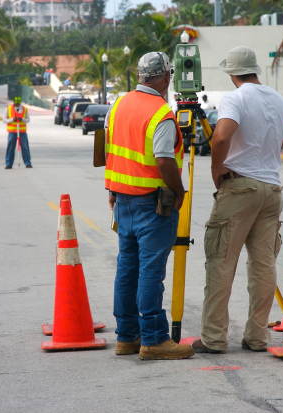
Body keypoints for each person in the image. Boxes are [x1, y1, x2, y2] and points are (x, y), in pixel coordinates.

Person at [192, 46, 283, 354]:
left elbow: (221, 137)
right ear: (255, 70)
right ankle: (258, 336)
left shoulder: (236, 97)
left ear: (232, 74)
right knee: (264, 266)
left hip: (240, 188)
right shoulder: (280, 101)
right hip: (271, 191)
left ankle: (214, 338)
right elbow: (280, 141)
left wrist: (216, 169)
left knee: (221, 263)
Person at [104, 52, 195, 361]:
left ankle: (127, 337)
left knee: (127, 269)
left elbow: (108, 148)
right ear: (167, 77)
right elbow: (163, 159)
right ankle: (154, 339)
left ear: (140, 76)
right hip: (152, 204)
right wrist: (179, 191)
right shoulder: (161, 113)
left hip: (122, 200)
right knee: (150, 272)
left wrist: (111, 188)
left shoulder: (118, 105)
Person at [3, 96, 32, 169]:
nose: (17, 104)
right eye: (16, 103)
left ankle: (27, 163)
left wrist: (22, 119)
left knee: (25, 147)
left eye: (18, 103)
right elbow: (4, 119)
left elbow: (28, 119)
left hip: (22, 131)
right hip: (12, 131)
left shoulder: (24, 109)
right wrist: (12, 119)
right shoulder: (8, 109)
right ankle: (9, 164)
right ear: (13, 101)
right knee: (10, 147)